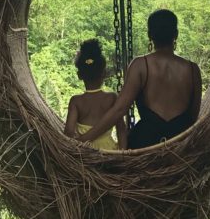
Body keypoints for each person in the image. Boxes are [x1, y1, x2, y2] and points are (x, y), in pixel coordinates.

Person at [74, 9, 202, 150]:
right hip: (181, 144)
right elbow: (193, 116)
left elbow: (119, 109)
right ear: (176, 34)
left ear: (149, 35)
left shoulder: (141, 65)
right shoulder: (192, 69)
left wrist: (83, 139)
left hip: (146, 144)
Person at [64, 39, 128, 151]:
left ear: (80, 75)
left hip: (86, 155)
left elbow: (69, 133)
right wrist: (122, 153)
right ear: (104, 74)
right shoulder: (111, 98)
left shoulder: (76, 101)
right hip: (109, 153)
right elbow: (121, 129)